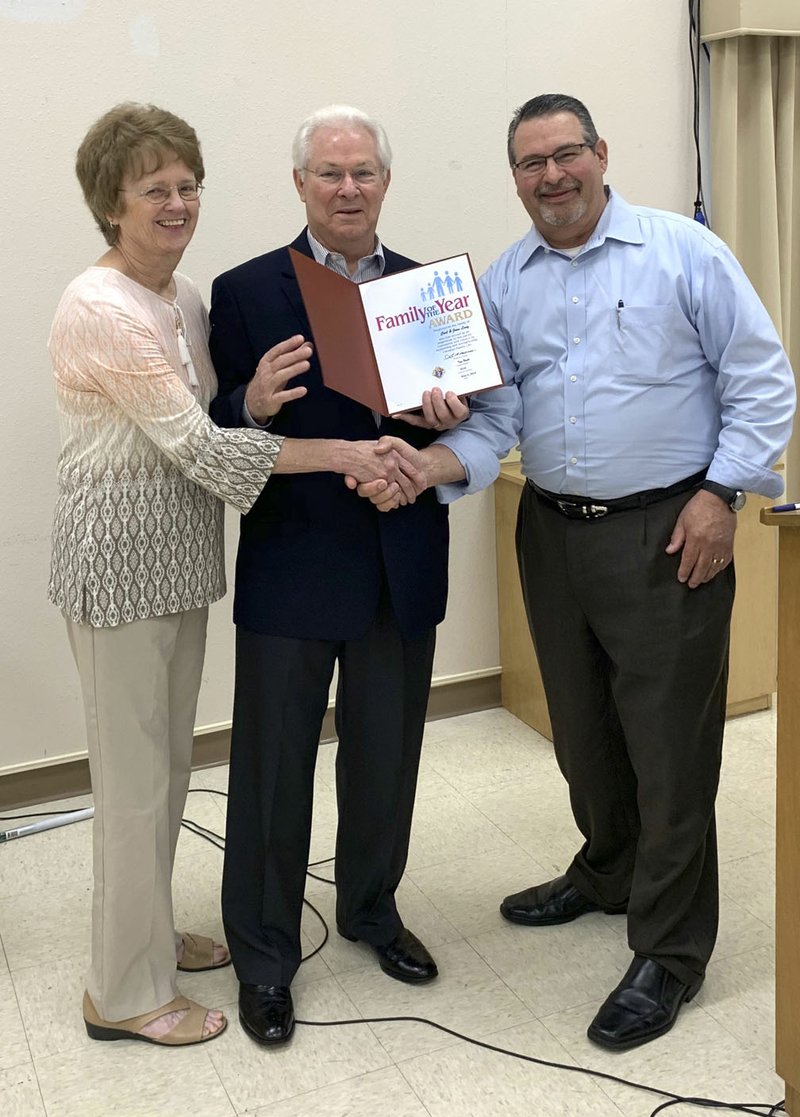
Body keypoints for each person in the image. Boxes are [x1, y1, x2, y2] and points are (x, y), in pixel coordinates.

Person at [357, 93, 796, 1051]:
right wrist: (435, 453)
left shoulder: (683, 252)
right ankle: (606, 870)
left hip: (670, 528)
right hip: (552, 534)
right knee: (582, 733)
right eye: (530, 163)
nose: (551, 177)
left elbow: (764, 378)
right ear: (513, 176)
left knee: (670, 751)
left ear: (601, 153)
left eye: (566, 155)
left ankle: (671, 951)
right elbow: (498, 417)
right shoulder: (506, 280)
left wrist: (724, 493)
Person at [49, 102, 415, 1049]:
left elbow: (212, 421)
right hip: (119, 569)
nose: (175, 204)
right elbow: (207, 445)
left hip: (178, 568)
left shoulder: (179, 299)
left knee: (166, 772)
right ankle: (122, 991)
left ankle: (148, 938)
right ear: (111, 203)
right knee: (135, 783)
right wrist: (332, 447)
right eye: (152, 190)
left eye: (185, 186)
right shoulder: (105, 305)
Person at [209, 104, 467, 1047]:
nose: (347, 187)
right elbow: (215, 430)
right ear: (300, 185)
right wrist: (247, 399)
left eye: (363, 171)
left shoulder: (429, 291)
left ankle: (369, 908)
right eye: (329, 172)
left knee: (387, 756)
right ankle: (266, 955)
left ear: (385, 183)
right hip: (293, 563)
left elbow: (448, 425)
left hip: (402, 560)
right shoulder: (244, 291)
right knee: (272, 769)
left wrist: (442, 418)